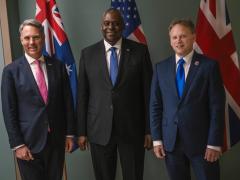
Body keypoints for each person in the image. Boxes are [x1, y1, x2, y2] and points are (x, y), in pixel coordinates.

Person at [77, 8, 152, 180]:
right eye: (107, 23)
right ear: (101, 27)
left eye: (116, 23)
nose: (111, 27)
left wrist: (149, 130)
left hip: (133, 129)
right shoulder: (87, 54)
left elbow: (148, 94)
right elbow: (82, 95)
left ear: (123, 26)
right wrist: (81, 131)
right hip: (99, 129)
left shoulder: (140, 52)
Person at [150, 19, 225, 180]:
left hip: (203, 144)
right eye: (174, 37)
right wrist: (157, 139)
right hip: (171, 143)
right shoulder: (160, 68)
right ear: (170, 41)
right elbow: (155, 106)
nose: (178, 41)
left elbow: (216, 107)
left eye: (183, 36)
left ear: (193, 37)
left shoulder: (209, 66)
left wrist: (213, 142)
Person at [1, 19, 75, 180]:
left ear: (43, 37)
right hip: (28, 143)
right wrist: (18, 145)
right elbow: (9, 111)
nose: (32, 42)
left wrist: (69, 134)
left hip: (56, 140)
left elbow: (67, 102)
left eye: (36, 37)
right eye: (27, 38)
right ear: (21, 40)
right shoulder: (10, 72)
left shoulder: (57, 66)